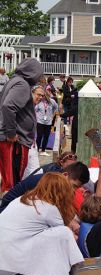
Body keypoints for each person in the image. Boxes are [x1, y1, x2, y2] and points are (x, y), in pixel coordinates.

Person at [0, 173, 84, 275]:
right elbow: (63, 236)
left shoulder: (22, 199)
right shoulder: (49, 208)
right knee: (64, 234)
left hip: (4, 266)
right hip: (9, 262)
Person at [0, 58, 43, 193]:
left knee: (9, 181)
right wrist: (11, 133)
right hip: (14, 142)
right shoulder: (22, 84)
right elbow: (8, 106)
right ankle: (7, 211)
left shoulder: (13, 81)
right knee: (12, 184)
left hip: (11, 139)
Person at [0, 161, 90, 213]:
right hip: (7, 210)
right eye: (74, 186)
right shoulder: (46, 182)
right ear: (65, 175)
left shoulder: (58, 182)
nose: (73, 190)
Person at [22, 85, 45, 179]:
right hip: (24, 143)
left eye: (42, 96)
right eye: (38, 94)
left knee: (35, 172)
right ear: (31, 93)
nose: (40, 97)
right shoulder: (23, 106)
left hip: (31, 144)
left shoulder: (33, 106)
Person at [35, 89, 58, 156]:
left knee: (46, 136)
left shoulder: (52, 101)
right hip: (40, 122)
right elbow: (35, 110)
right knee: (39, 136)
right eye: (41, 96)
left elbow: (56, 108)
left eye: (43, 96)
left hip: (48, 122)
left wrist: (52, 115)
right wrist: (37, 117)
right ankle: (37, 150)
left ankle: (43, 150)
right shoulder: (39, 102)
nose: (42, 97)